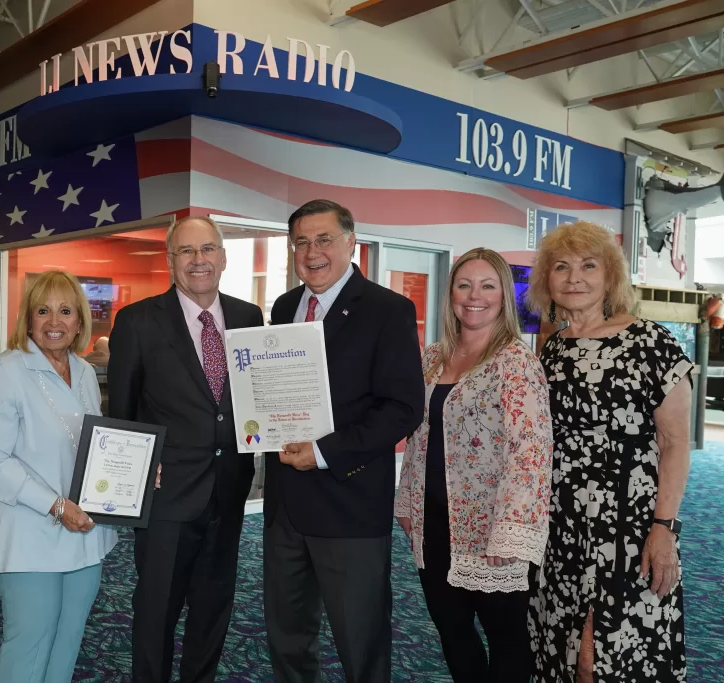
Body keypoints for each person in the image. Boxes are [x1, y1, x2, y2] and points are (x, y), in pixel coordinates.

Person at [264, 199, 424, 683]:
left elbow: (402, 408)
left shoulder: (389, 309)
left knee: (361, 643)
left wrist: (323, 452)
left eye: (324, 239)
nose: (312, 252)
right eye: (301, 242)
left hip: (349, 504)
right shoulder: (284, 306)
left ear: (351, 242)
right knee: (287, 637)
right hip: (285, 508)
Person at [527, 221, 693, 683]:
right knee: (561, 646)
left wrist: (665, 528)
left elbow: (676, 443)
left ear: (610, 276)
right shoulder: (553, 349)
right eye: (561, 266)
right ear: (547, 281)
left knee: (600, 656)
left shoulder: (651, 342)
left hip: (628, 522)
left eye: (588, 265)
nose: (574, 277)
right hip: (559, 524)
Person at [108, 216, 264, 683]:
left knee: (214, 607)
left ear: (223, 256)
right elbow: (124, 408)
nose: (199, 261)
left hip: (230, 491)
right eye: (187, 252)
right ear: (170, 259)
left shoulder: (248, 317)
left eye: (208, 249)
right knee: (157, 610)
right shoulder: (137, 322)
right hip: (167, 496)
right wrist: (136, 467)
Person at [395, 248, 553, 682]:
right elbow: (417, 437)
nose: (474, 296)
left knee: (507, 641)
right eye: (464, 285)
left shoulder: (516, 362)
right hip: (433, 524)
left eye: (487, 285)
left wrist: (511, 534)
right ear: (451, 294)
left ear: (504, 295)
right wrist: (407, 504)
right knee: (452, 630)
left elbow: (531, 453)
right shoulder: (431, 358)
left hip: (492, 531)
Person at [0, 270, 118, 682]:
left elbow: (92, 445)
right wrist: (55, 506)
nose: (54, 322)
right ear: (28, 319)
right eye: (43, 311)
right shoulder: (9, 370)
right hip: (28, 529)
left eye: (65, 311)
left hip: (85, 530)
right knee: (30, 642)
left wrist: (137, 474)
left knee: (69, 637)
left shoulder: (85, 373)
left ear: (80, 320)